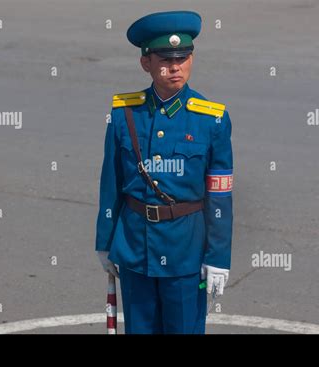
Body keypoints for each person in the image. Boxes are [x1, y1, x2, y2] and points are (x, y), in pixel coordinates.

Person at [95, 10, 233, 334]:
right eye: (166, 59)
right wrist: (105, 240)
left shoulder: (211, 119)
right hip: (135, 250)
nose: (176, 67)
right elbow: (111, 183)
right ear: (146, 63)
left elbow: (220, 196)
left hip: (185, 253)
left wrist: (218, 256)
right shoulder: (124, 114)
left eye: (183, 58)